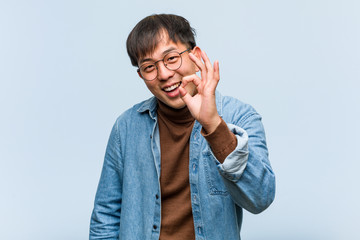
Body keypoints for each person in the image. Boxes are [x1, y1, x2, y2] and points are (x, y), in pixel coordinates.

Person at [90, 14, 275, 240]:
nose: (164, 74)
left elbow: (260, 198)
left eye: (171, 58)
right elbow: (105, 218)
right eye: (149, 67)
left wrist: (214, 126)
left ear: (195, 56)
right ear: (141, 75)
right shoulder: (126, 127)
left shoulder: (239, 116)